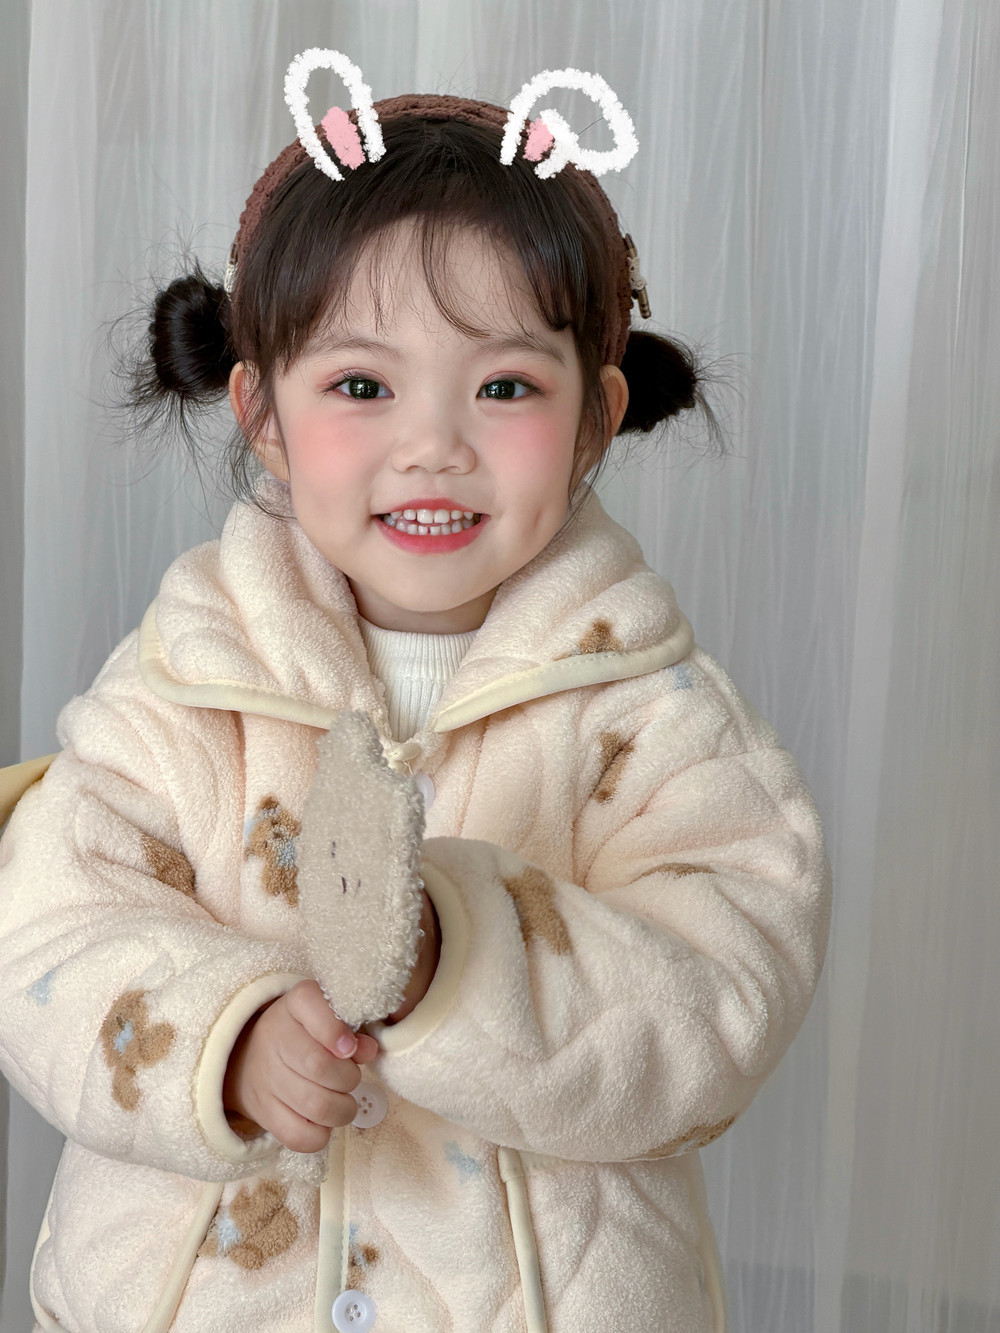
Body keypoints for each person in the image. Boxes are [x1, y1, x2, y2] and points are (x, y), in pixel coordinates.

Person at [0, 52, 831, 1333]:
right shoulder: (185, 682)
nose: (432, 444)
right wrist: (229, 1038)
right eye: (361, 386)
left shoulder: (654, 711)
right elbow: (44, 931)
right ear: (261, 412)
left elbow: (725, 991)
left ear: (596, 414)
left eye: (504, 387)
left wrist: (457, 951)